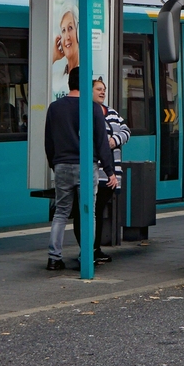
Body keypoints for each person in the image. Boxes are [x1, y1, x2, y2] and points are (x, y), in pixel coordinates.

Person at [44, 66, 118, 271]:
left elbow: (48, 141)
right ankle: (87, 255)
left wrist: (55, 163)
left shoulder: (54, 108)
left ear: (69, 82)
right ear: (85, 84)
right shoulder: (92, 108)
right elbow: (101, 142)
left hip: (62, 166)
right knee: (88, 212)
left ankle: (54, 258)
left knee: (61, 213)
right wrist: (110, 171)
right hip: (86, 167)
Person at [72, 78, 130, 264]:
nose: (103, 92)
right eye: (99, 89)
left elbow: (126, 129)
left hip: (111, 175)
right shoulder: (85, 111)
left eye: (104, 89)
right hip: (95, 172)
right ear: (89, 91)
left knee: (98, 210)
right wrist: (106, 142)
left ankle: (94, 249)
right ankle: (89, 250)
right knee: (88, 211)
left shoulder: (111, 112)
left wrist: (115, 140)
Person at [50, 9, 79, 102]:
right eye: (63, 30)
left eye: (70, 28)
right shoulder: (55, 76)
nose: (67, 37)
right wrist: (53, 58)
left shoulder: (86, 75)